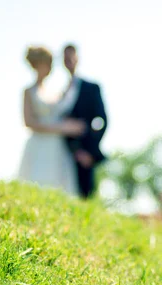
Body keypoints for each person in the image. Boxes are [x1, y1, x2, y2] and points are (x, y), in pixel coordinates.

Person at [18, 46, 85, 195]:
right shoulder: (28, 92)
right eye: (47, 64)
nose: (49, 69)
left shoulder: (57, 92)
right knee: (35, 184)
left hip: (57, 147)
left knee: (59, 188)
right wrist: (63, 128)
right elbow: (29, 122)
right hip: (38, 146)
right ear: (38, 65)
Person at [62, 43, 108, 199]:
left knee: (85, 196)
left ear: (77, 58)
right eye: (65, 58)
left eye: (70, 57)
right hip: (62, 151)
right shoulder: (60, 91)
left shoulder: (91, 88)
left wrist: (88, 151)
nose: (68, 61)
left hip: (84, 155)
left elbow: (102, 120)